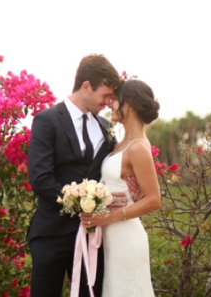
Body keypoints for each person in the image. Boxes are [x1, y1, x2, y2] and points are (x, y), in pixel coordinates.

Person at [27, 54, 133, 297]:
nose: (108, 102)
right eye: (105, 95)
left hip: (92, 235)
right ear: (86, 86)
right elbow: (41, 180)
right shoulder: (47, 120)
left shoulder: (106, 128)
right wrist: (85, 199)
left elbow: (112, 168)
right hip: (51, 233)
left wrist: (131, 185)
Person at [80, 79, 162, 297]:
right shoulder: (121, 143)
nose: (111, 103)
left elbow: (154, 199)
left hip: (126, 238)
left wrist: (109, 217)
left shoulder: (137, 148)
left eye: (115, 99)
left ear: (131, 105)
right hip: (111, 239)